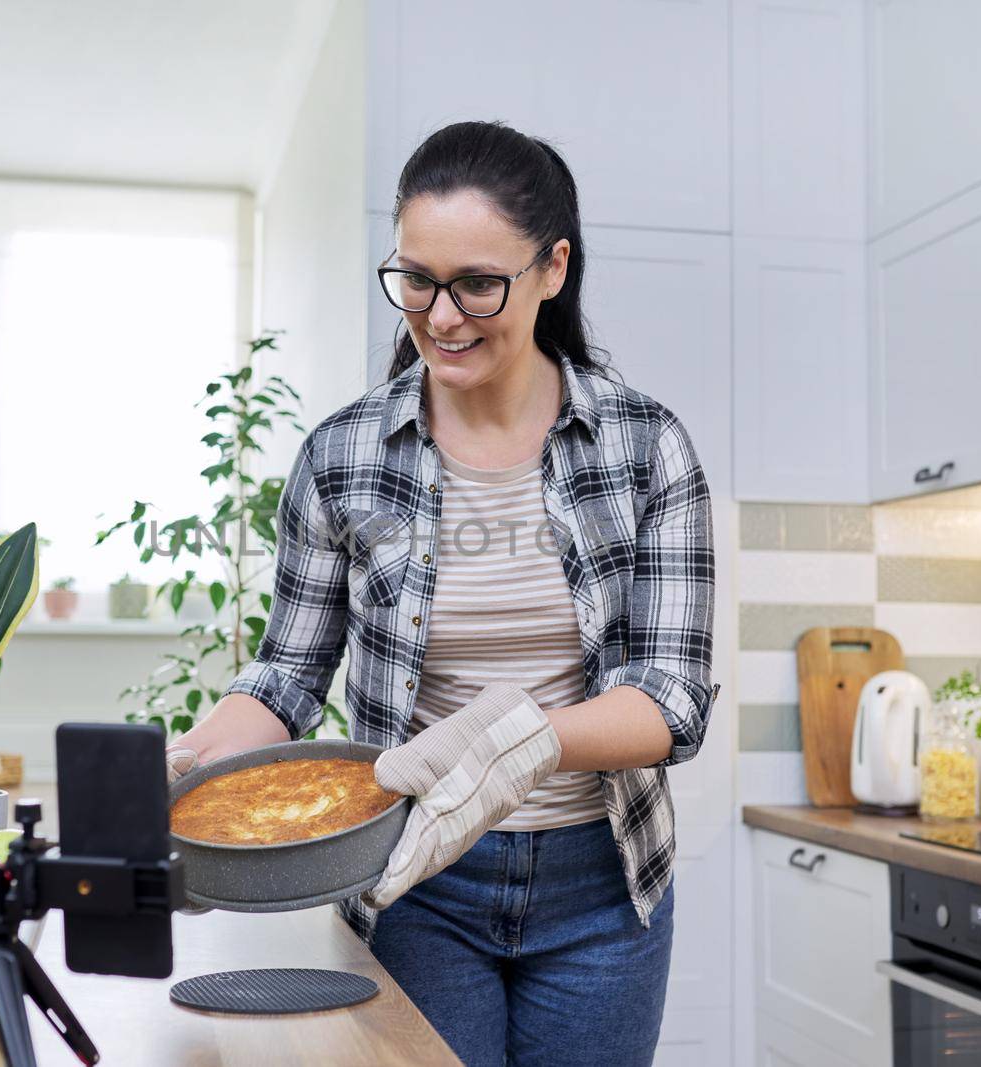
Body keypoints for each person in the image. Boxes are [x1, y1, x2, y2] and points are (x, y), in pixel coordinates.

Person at [166, 120, 716, 1067]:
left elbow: (675, 698)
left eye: (477, 283)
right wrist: (193, 768)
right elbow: (288, 676)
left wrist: (524, 733)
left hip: (603, 891)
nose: (442, 314)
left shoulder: (644, 447)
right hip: (412, 879)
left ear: (553, 269)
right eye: (416, 278)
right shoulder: (341, 456)